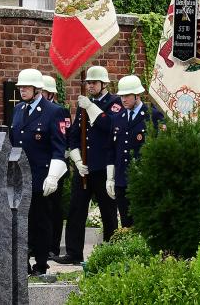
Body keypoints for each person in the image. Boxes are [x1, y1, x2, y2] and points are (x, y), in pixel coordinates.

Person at [55, 65, 119, 265]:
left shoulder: (114, 103)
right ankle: (74, 253)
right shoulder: (84, 104)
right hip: (85, 168)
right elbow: (74, 135)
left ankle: (110, 253)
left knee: (108, 212)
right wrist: (77, 159)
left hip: (103, 168)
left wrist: (91, 108)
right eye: (88, 83)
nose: (90, 86)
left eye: (93, 82)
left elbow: (109, 127)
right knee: (76, 210)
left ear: (103, 84)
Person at [10, 69, 66, 277]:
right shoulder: (17, 110)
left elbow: (59, 148)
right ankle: (22, 264)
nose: (22, 90)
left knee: (41, 222)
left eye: (25, 87)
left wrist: (53, 176)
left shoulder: (53, 111)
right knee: (20, 223)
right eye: (20, 87)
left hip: (42, 177)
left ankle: (41, 264)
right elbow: (13, 143)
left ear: (37, 89)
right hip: (20, 176)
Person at [110, 75, 162, 228]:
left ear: (137, 95)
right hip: (121, 179)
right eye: (121, 96)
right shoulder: (117, 118)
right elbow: (112, 148)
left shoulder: (152, 116)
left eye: (127, 95)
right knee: (126, 223)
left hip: (142, 178)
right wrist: (110, 177)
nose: (123, 99)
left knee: (143, 223)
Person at [41, 74, 70, 260]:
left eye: (44, 92)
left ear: (51, 94)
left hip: (56, 165)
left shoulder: (59, 111)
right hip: (40, 165)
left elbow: (63, 138)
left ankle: (53, 245)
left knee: (53, 207)